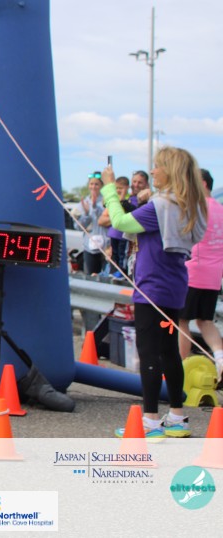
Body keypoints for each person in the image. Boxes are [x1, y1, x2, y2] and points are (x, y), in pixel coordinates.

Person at [102, 147, 207, 438]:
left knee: (148, 352)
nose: (153, 171)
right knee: (169, 351)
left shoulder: (160, 207)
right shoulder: (186, 205)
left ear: (170, 171)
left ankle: (149, 420)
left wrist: (110, 189)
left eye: (157, 166)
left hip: (151, 288)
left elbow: (119, 222)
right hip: (174, 288)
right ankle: (177, 416)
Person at [178, 168, 223, 373]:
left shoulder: (195, 206)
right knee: (205, 321)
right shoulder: (220, 208)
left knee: (181, 320)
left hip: (193, 272)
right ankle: (220, 360)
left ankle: (178, 368)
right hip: (213, 275)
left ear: (203, 183)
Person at [78, 171, 108, 275]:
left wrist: (95, 207)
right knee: (90, 277)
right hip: (89, 248)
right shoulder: (83, 203)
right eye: (91, 184)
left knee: (105, 278)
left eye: (96, 184)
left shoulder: (107, 201)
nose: (93, 187)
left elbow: (105, 221)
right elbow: (78, 227)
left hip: (105, 248)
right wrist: (86, 214)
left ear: (101, 186)